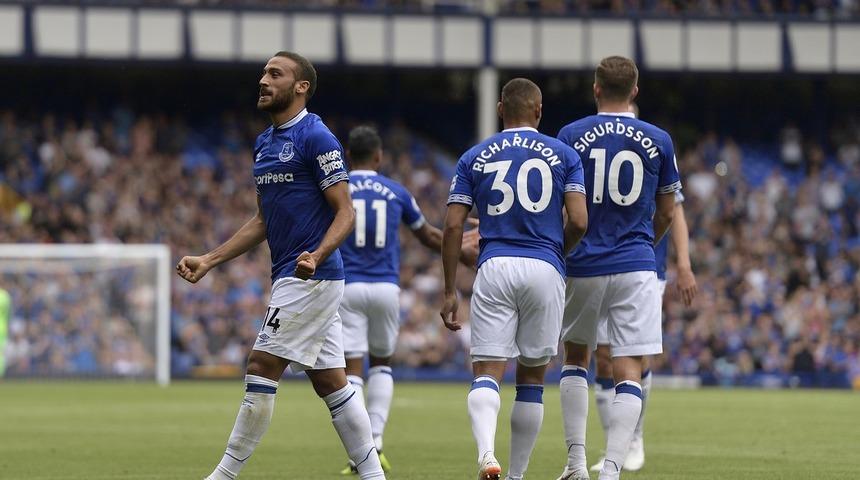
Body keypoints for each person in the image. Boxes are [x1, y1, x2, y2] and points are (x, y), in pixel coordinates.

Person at [176, 51, 385, 480]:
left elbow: (346, 212)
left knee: (261, 365)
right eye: (263, 73)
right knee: (332, 382)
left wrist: (317, 255)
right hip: (297, 275)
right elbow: (262, 221)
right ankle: (372, 475)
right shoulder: (265, 143)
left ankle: (223, 475)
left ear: (301, 86)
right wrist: (210, 259)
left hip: (309, 276)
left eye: (276, 74)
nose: (263, 80)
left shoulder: (317, 137)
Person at [441, 78, 588, 480]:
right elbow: (578, 219)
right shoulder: (564, 155)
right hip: (544, 266)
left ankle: (487, 454)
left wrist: (450, 288)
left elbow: (454, 226)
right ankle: (516, 475)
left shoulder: (474, 156)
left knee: (487, 371)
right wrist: (559, 251)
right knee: (532, 378)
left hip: (495, 265)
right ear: (539, 111)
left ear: (500, 109)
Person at [555, 56, 681, 480]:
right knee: (629, 366)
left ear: (595, 89)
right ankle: (612, 467)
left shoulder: (570, 135)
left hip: (583, 261)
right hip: (637, 263)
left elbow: (565, 208)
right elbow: (667, 212)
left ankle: (576, 463)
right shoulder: (659, 138)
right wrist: (644, 245)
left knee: (577, 359)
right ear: (635, 91)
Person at [337, 125, 479, 474]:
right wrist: (460, 249)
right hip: (386, 287)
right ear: (379, 156)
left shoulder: (337, 190)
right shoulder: (395, 191)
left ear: (347, 156)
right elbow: (428, 234)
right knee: (382, 363)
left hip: (347, 285)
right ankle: (377, 441)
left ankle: (361, 453)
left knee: (352, 367)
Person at [587, 105, 699, 473]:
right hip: (600, 261)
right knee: (602, 357)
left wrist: (683, 263)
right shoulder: (593, 148)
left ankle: (634, 437)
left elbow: (674, 210)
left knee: (635, 357)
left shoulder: (652, 147)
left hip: (644, 262)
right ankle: (612, 447)